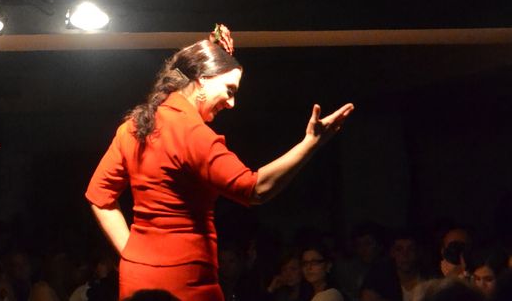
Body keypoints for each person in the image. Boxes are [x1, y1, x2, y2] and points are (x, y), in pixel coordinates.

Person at [85, 25, 354, 301]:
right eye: (229, 89)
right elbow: (256, 189)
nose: (231, 103)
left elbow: (99, 198)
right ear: (202, 79)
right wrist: (310, 143)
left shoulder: (131, 128)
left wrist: (131, 253)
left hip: (136, 279)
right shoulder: (193, 134)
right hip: (186, 282)